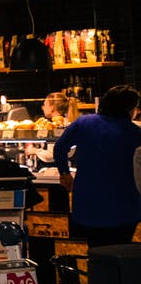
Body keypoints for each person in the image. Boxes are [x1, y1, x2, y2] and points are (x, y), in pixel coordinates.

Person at [53, 84, 141, 248]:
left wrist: (64, 173)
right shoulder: (135, 133)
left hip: (88, 204)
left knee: (96, 252)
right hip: (124, 206)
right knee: (120, 253)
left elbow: (59, 148)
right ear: (129, 109)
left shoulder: (84, 123)